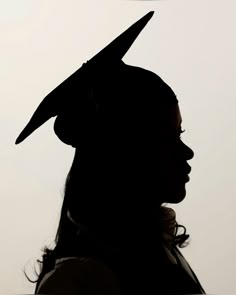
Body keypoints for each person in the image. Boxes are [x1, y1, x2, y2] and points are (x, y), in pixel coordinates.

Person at [16, 11, 206, 294]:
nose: (186, 152)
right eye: (164, 136)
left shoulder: (157, 250)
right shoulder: (79, 281)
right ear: (122, 151)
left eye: (179, 134)